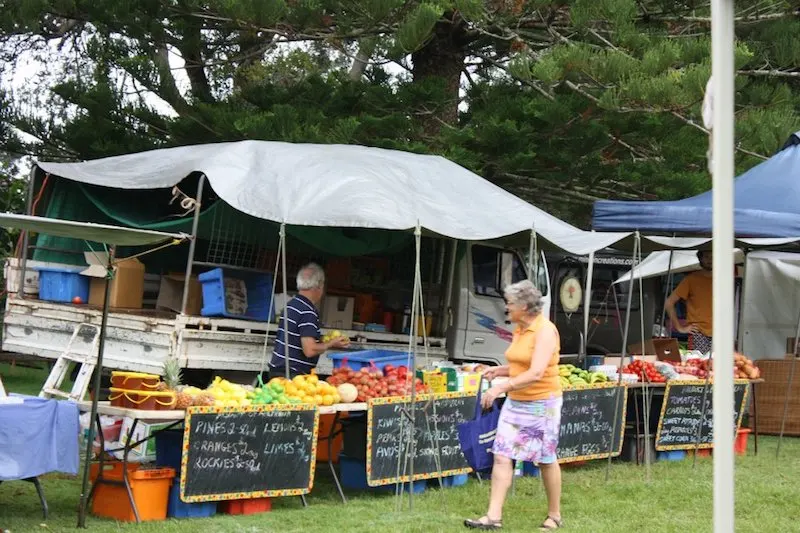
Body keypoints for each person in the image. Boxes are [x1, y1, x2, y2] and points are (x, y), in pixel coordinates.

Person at [464, 280, 563, 531]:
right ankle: (493, 517)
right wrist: (501, 371)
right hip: (517, 400)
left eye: (509, 304)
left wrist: (501, 387)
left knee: (546, 459)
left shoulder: (545, 331)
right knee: (501, 455)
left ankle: (554, 515)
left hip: (543, 402)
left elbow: (537, 371)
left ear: (525, 306)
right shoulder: (520, 328)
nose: (506, 308)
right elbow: (522, 364)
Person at [268, 263, 349, 379]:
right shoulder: (308, 311)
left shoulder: (291, 305)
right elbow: (309, 350)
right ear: (319, 285)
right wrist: (331, 343)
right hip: (292, 376)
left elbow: (295, 338)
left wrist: (321, 340)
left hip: (278, 371)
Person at [665, 250, 713, 353]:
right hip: (699, 332)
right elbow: (669, 303)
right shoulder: (691, 279)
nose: (710, 260)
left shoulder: (725, 278)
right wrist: (679, 328)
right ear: (700, 258)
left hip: (722, 333)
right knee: (697, 365)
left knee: (721, 367)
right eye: (707, 256)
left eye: (713, 256)